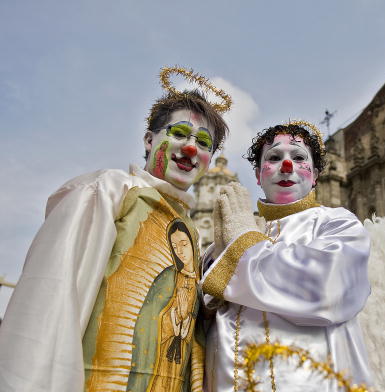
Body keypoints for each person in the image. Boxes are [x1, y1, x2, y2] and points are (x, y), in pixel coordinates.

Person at [0, 68, 230, 392]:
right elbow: (51, 298)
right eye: (179, 134)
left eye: (203, 143)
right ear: (150, 141)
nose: (191, 148)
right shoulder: (109, 191)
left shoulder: (191, 233)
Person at [200, 122, 373, 391]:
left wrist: (242, 242)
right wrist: (219, 253)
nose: (287, 166)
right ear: (258, 175)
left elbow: (326, 288)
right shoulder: (244, 226)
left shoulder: (337, 223)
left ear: (315, 175)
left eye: (299, 157)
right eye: (274, 158)